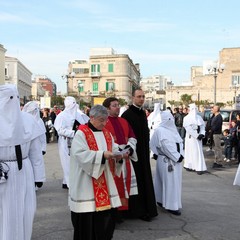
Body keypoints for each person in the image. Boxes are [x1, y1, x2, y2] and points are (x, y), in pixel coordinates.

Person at [69, 105, 129, 240]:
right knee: (87, 219)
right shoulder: (81, 133)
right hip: (85, 183)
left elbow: (113, 148)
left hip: (105, 181)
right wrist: (102, 155)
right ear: (92, 118)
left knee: (105, 219)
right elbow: (80, 154)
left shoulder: (106, 133)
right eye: (101, 120)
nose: (104, 123)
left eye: (106, 120)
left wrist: (119, 154)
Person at [0, 84, 45, 240]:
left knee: (25, 211)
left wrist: (39, 177)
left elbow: (35, 152)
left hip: (23, 170)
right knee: (4, 215)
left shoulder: (27, 120)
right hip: (2, 174)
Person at [121, 88, 158, 221]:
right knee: (136, 182)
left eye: (143, 96)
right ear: (133, 98)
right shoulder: (127, 115)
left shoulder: (142, 113)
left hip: (143, 153)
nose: (141, 99)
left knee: (144, 180)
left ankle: (146, 208)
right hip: (134, 155)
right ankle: (136, 211)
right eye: (139, 97)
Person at [102, 97, 138, 221]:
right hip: (112, 159)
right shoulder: (103, 122)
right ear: (107, 108)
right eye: (114, 105)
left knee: (124, 186)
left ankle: (121, 212)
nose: (117, 107)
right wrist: (117, 152)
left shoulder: (124, 121)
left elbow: (133, 137)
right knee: (113, 186)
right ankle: (112, 213)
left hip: (125, 157)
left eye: (118, 105)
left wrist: (129, 149)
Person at [150, 110, 184, 216]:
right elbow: (166, 146)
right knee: (171, 183)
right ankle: (171, 205)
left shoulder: (169, 129)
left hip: (167, 159)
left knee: (164, 182)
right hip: (169, 161)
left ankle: (161, 200)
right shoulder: (161, 130)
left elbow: (179, 142)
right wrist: (177, 157)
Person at [54, 96, 89, 189]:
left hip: (79, 142)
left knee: (77, 162)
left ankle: (68, 181)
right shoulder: (61, 116)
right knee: (67, 162)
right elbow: (60, 130)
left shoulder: (79, 114)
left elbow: (85, 124)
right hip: (66, 142)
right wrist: (73, 132)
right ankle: (70, 183)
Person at [183, 103, 207, 175]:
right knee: (189, 152)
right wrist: (196, 135)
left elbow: (202, 126)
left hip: (198, 138)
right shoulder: (186, 118)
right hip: (191, 138)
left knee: (197, 152)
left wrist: (202, 134)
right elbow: (188, 129)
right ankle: (189, 165)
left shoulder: (199, 118)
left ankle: (199, 167)